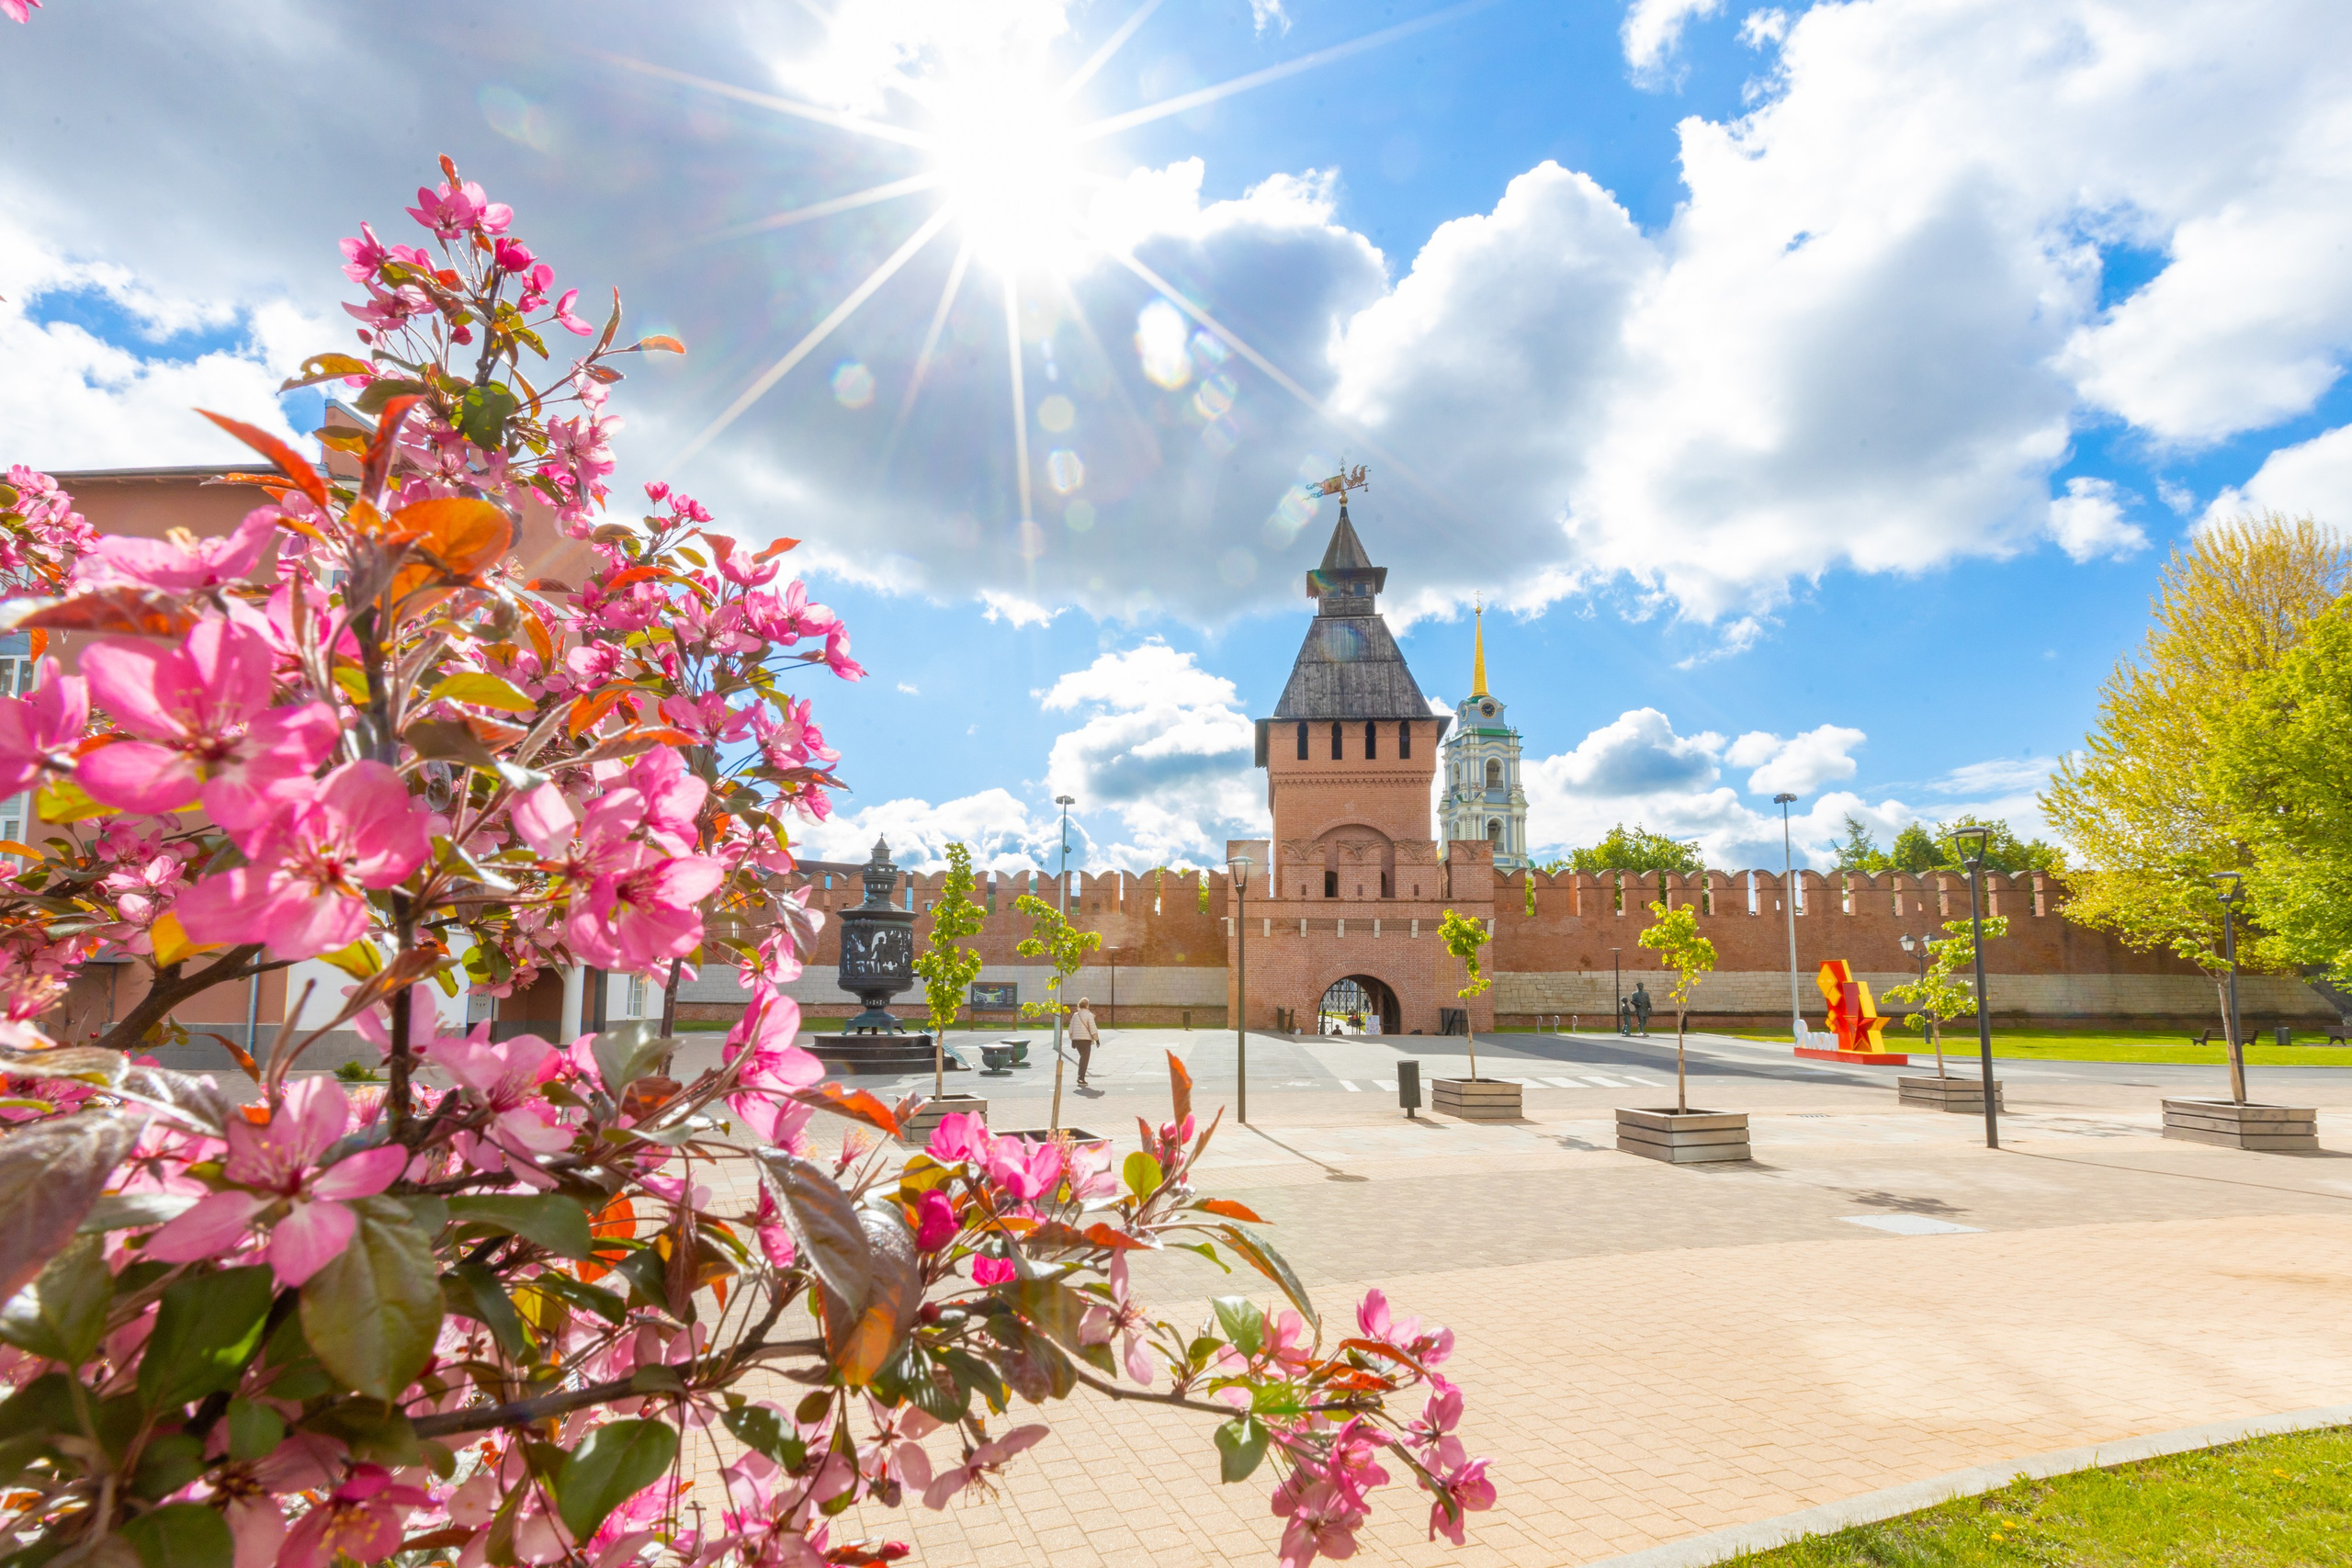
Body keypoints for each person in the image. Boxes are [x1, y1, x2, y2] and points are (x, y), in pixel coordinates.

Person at [1069, 997, 1100, 1087]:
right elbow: (1093, 1029)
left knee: (1082, 1058)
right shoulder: (1089, 1015)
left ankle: (1080, 1077)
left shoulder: (1075, 1015)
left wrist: (1072, 1039)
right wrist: (1097, 1040)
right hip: (1085, 1040)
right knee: (1085, 1059)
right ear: (1087, 1005)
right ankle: (1081, 1078)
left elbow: (1071, 1029)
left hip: (1077, 1040)